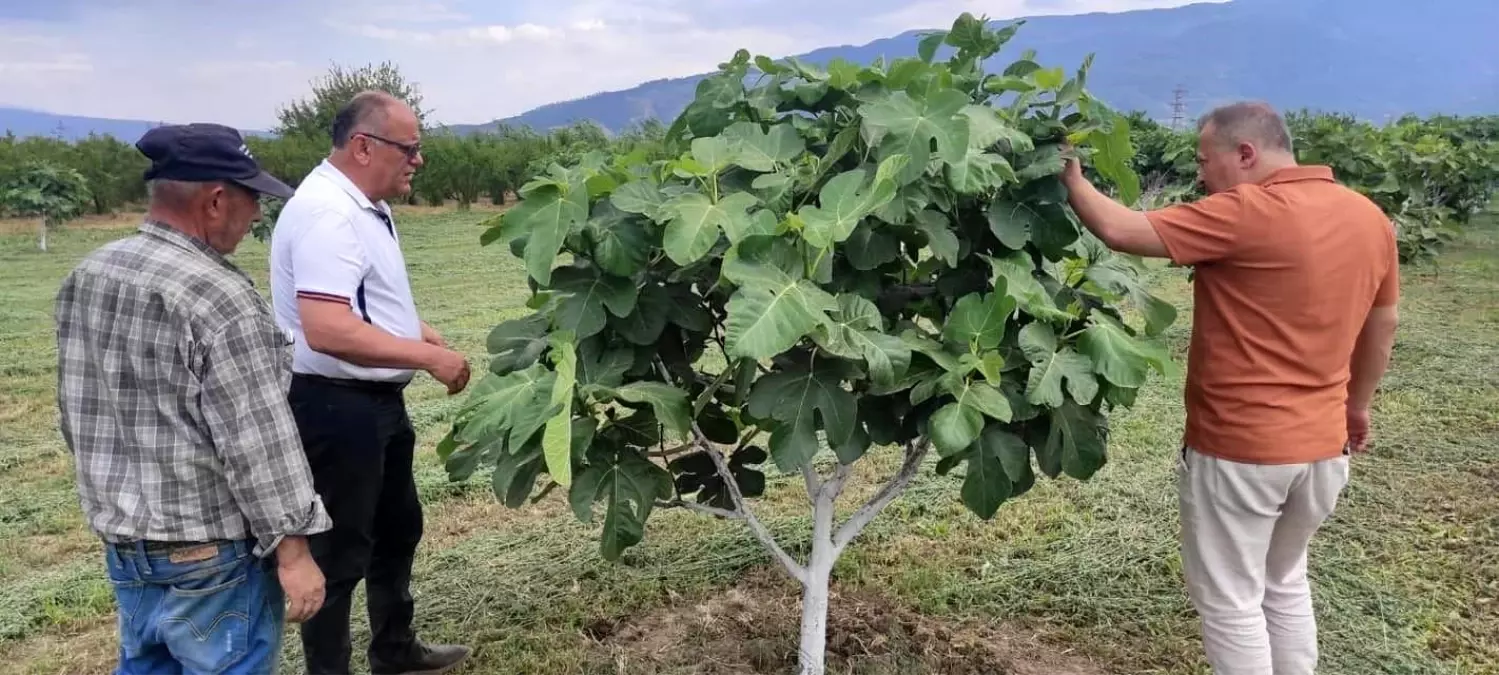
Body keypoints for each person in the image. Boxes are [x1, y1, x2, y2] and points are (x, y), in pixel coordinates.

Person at [1060, 101, 1400, 675]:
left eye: (1204, 160)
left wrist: (1069, 173)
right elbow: (1383, 323)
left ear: (1246, 154)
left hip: (1242, 450)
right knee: (1284, 580)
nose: (1200, 175)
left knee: (1231, 603)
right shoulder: (1369, 217)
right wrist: (1356, 408)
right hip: (1323, 449)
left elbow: (1119, 228)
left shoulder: (1246, 210)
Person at [54, 122, 332, 675]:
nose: (256, 215)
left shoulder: (90, 274)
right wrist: (295, 552)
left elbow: (75, 415)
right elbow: (258, 444)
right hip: (211, 554)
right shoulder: (218, 296)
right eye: (252, 199)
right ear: (215, 200)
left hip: (129, 547)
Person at [268, 90, 472, 675]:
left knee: (396, 528)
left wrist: (418, 333)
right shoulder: (328, 214)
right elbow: (328, 328)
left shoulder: (361, 204)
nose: (418, 160)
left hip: (373, 403)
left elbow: (361, 302)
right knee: (340, 553)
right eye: (409, 148)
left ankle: (395, 649)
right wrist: (426, 358)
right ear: (363, 146)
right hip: (337, 408)